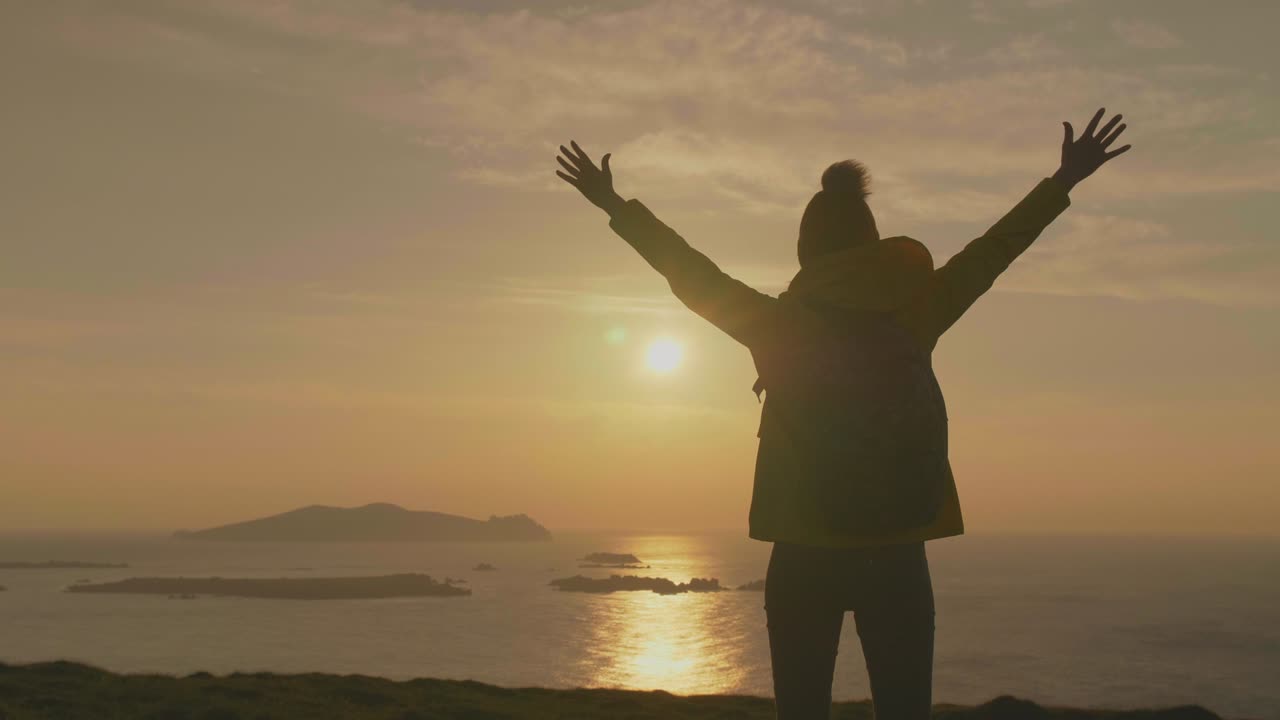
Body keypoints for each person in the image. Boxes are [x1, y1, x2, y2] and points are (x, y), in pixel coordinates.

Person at [555, 108, 1131, 720]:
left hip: (804, 546)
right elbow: (994, 250)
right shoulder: (919, 310)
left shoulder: (778, 327)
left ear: (807, 249)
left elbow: (688, 269)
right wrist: (1062, 181)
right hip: (900, 546)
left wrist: (612, 204)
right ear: (872, 240)